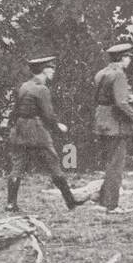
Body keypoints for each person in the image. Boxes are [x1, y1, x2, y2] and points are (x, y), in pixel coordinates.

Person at [6, 56, 82, 212]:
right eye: (51, 68)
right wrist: (57, 126)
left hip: (20, 129)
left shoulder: (24, 86)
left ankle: (10, 203)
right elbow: (48, 114)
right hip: (36, 130)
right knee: (53, 163)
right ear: (44, 70)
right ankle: (70, 201)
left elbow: (16, 110)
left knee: (18, 165)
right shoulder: (42, 89)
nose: (53, 71)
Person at [88, 42, 133, 213]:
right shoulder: (119, 75)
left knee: (110, 161)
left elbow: (103, 96)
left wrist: (125, 96)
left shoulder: (102, 73)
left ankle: (102, 198)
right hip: (115, 123)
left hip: (101, 120)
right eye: (128, 57)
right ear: (123, 58)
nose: (129, 60)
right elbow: (120, 103)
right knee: (116, 164)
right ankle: (111, 205)